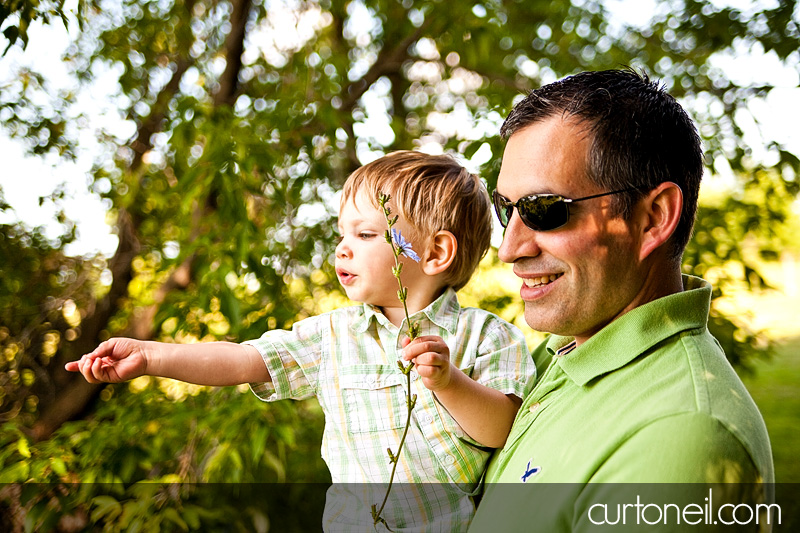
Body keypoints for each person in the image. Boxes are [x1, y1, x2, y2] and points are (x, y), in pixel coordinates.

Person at [67, 150, 536, 532]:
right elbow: (244, 361)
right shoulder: (333, 336)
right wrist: (152, 355)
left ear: (434, 252)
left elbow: (503, 430)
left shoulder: (486, 336)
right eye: (342, 234)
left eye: (366, 233)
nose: (342, 248)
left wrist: (450, 382)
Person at [469, 70, 775, 532]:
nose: (510, 247)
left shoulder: (682, 436)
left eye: (543, 210)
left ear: (653, 218)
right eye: (506, 209)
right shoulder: (557, 354)